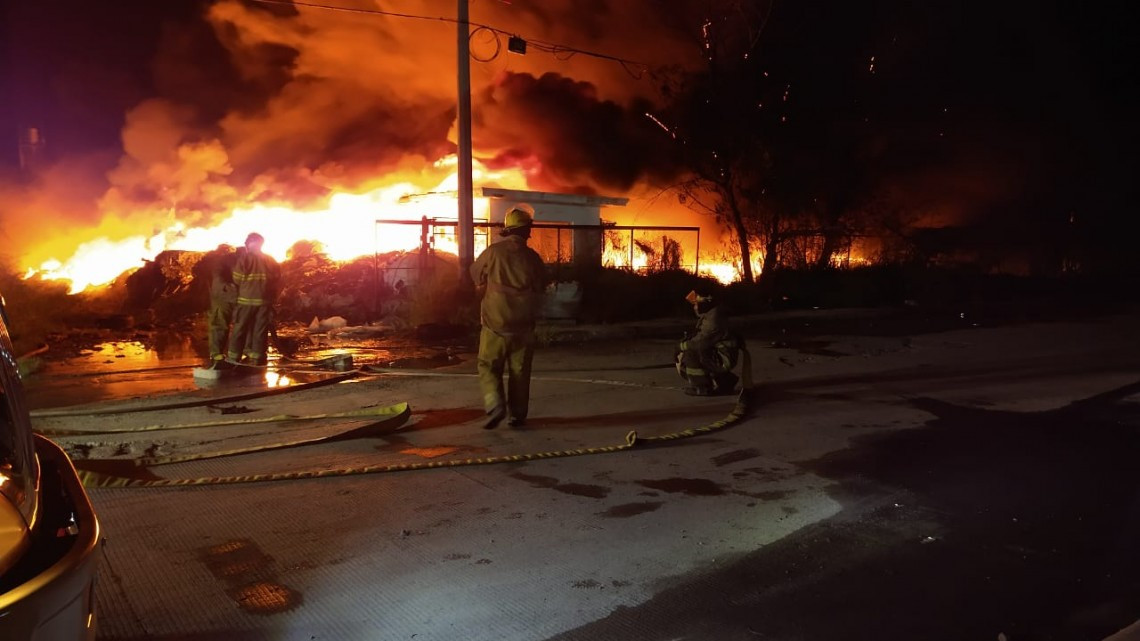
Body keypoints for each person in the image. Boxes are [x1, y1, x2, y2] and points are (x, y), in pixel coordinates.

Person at [470, 204, 547, 429]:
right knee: (520, 371)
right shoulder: (533, 258)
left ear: (508, 229)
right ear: (527, 231)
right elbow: (542, 286)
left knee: (488, 365)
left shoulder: (493, 252)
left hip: (495, 323)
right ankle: (517, 415)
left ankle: (495, 405)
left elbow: (475, 273)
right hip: (523, 325)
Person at [227, 233, 281, 366]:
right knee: (260, 330)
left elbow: (237, 278)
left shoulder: (245, 258)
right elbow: (277, 279)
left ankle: (233, 357)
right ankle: (257, 356)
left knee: (240, 328)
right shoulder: (270, 259)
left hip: (246, 300)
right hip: (264, 301)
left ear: (249, 244)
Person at [676, 289, 740, 396]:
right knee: (699, 350)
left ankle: (701, 387)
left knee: (691, 353)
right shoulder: (712, 314)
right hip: (723, 354)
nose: (695, 307)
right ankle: (725, 381)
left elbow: (700, 343)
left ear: (705, 303)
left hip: (724, 358)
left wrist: (680, 346)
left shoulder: (713, 320)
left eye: (696, 303)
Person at [204, 244, 239, 368]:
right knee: (220, 324)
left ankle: (222, 354)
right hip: (224, 296)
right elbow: (219, 279)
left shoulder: (220, 261)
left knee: (233, 325)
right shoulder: (222, 262)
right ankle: (217, 354)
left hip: (227, 296)